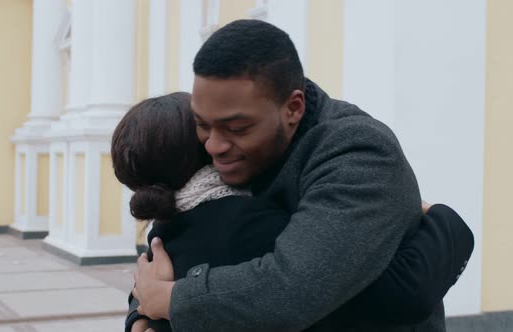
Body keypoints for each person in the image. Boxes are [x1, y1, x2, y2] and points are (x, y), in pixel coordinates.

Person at [112, 92, 473, 332]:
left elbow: (149, 288)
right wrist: (445, 221)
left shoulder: (164, 226)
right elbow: (398, 293)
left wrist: (141, 316)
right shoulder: (253, 223)